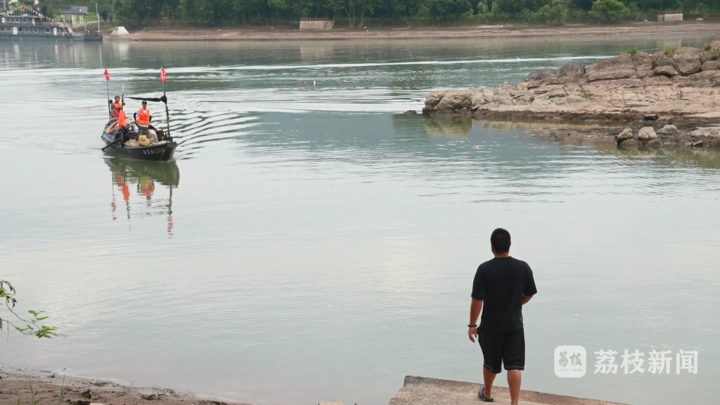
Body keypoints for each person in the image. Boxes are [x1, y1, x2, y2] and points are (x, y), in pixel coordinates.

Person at [468, 228, 537, 405]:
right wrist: (516, 303)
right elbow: (530, 293)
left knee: (490, 363)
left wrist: (472, 325)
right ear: (510, 245)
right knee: (514, 365)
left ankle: (488, 394)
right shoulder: (523, 267)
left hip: (491, 325)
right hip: (514, 325)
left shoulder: (484, 269)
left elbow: (477, 300)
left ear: (492, 247)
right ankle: (514, 402)